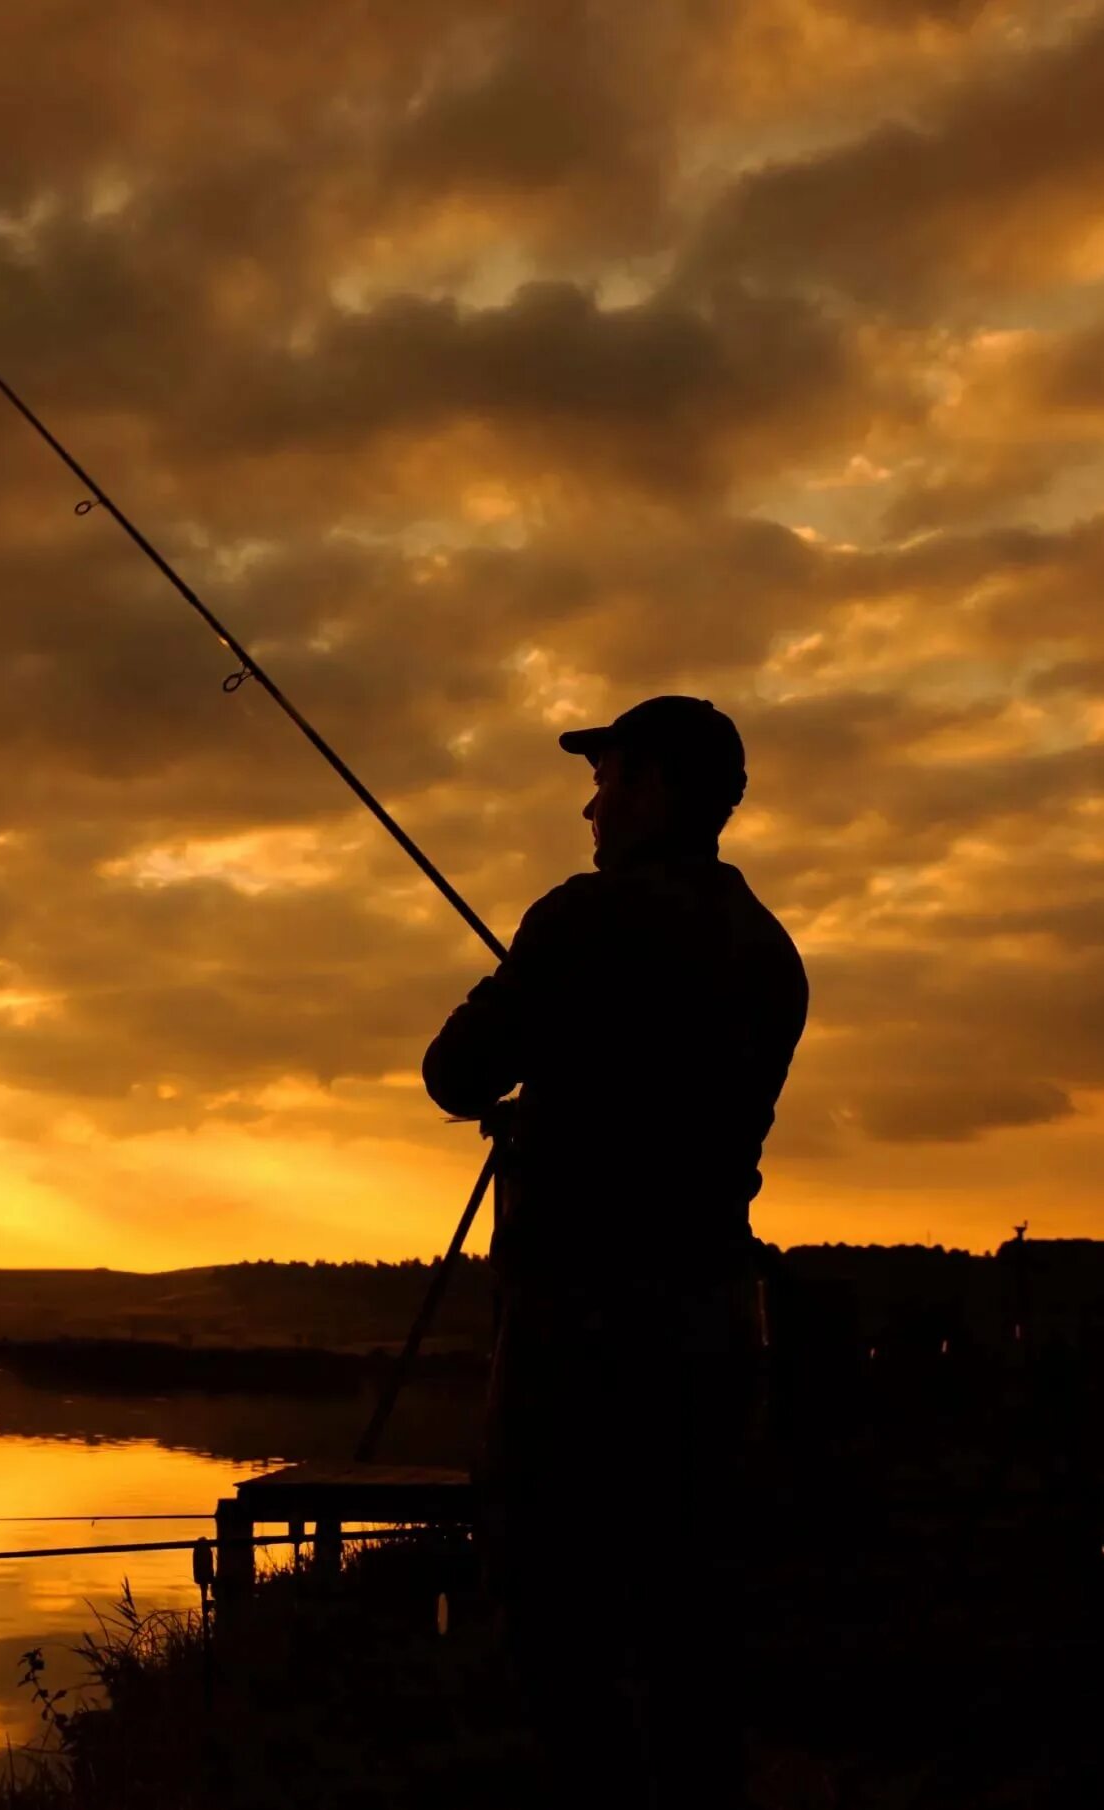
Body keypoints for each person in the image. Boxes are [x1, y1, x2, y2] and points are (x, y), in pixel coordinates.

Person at [423, 695, 807, 1810]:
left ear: (659, 790)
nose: (590, 805)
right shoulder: (769, 951)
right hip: (716, 1321)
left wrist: (529, 1000)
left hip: (577, 1330)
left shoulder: (581, 920)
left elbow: (455, 1073)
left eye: (609, 779)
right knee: (693, 1627)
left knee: (556, 1622)